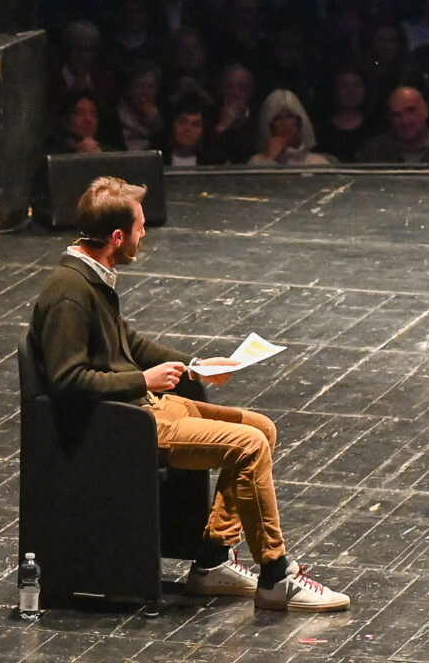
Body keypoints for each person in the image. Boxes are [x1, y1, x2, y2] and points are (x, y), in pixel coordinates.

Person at [27, 176, 347, 611]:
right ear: (117, 236)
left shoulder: (95, 276)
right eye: (140, 227)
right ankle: (277, 575)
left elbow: (131, 344)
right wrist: (144, 381)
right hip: (122, 420)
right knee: (248, 446)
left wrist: (197, 366)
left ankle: (213, 560)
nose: (144, 235)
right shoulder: (69, 292)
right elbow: (67, 381)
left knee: (260, 428)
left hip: (143, 403)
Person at [359, 86, 429, 166]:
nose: (405, 121)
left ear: (426, 110)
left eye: (410, 111)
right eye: (397, 115)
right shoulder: (373, 151)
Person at [247, 89, 329, 167]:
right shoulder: (256, 162)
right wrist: (269, 160)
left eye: (290, 116)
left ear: (300, 121)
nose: (285, 123)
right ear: (270, 126)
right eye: (277, 118)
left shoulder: (318, 162)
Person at [313, 68, 375, 164]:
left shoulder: (376, 126)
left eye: (356, 86)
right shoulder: (321, 128)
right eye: (343, 86)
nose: (350, 91)